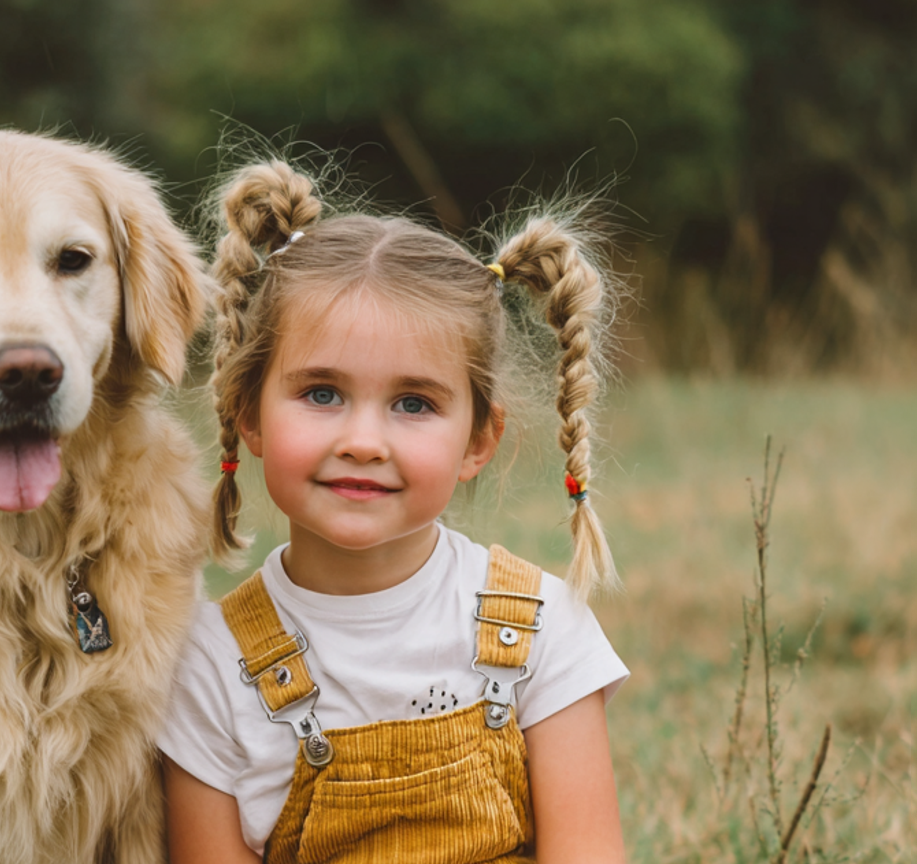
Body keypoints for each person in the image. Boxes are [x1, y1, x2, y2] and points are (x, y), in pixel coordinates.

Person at [159, 161, 630, 863]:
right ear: (246, 413)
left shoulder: (541, 628)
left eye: (414, 404)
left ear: (478, 440)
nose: (363, 442)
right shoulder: (206, 661)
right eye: (321, 393)